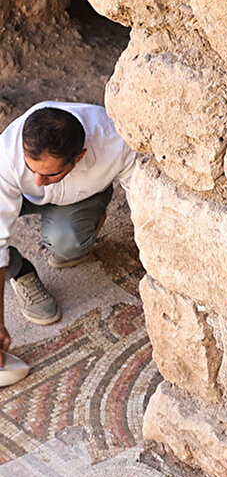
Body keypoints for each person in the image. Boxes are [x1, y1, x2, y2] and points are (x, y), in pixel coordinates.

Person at [0, 102, 135, 351]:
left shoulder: (115, 142)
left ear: (79, 156)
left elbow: (144, 206)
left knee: (68, 243)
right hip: (22, 197)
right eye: (32, 169)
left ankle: (81, 230)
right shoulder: (7, 153)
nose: (39, 182)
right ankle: (20, 271)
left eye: (50, 174)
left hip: (80, 197)